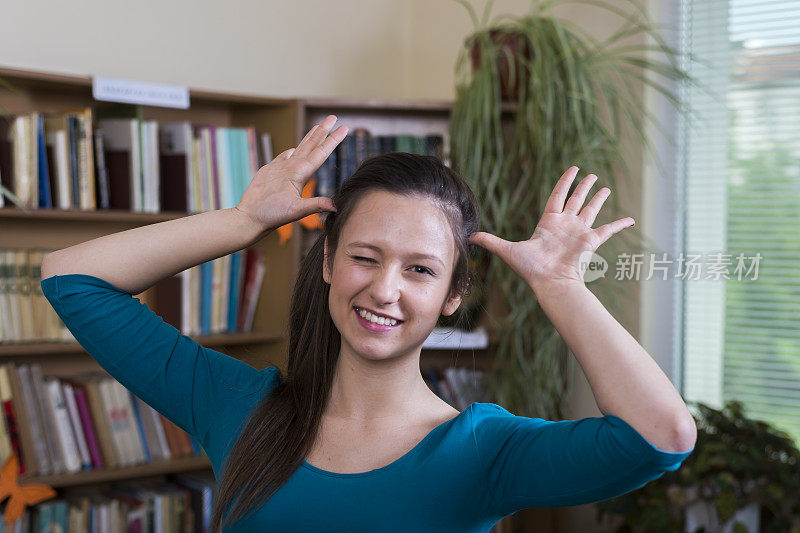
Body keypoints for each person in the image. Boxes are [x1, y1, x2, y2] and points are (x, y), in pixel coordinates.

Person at [40, 114, 696, 532]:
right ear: (327, 260)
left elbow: (659, 434)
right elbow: (72, 278)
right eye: (364, 256)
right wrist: (240, 222)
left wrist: (559, 286)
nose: (383, 288)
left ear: (451, 294)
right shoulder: (237, 406)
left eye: (419, 270)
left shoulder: (481, 450)